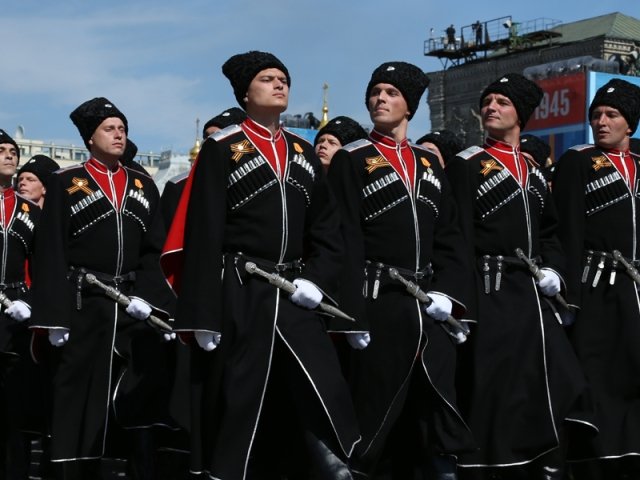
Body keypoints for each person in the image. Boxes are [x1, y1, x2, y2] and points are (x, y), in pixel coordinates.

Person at [161, 51, 360, 480]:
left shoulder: (303, 151)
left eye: (283, 78)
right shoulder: (221, 147)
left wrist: (317, 281)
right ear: (246, 92)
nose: (279, 84)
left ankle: (335, 467)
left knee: (324, 390)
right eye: (268, 78)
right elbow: (204, 233)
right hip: (241, 291)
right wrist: (201, 314)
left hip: (297, 294)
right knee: (242, 402)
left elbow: (328, 232)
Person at [327, 61, 475, 480]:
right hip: (380, 307)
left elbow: (450, 239)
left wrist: (451, 296)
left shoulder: (430, 166)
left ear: (409, 105)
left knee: (437, 422)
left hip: (429, 313)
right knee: (374, 420)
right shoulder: (351, 160)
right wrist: (350, 315)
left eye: (391, 93)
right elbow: (344, 239)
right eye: (375, 92)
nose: (379, 99)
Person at [445, 73, 596, 479]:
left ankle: (546, 462)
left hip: (533, 295)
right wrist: (464, 306)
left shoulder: (531, 169)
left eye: (502, 102)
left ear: (521, 114)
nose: (491, 107)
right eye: (488, 100)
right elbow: (456, 236)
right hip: (491, 290)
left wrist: (554, 272)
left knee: (563, 381)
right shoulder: (467, 164)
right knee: (498, 389)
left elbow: (551, 232)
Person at [30, 97, 175, 480]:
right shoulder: (65, 182)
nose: (119, 134)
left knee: (136, 397)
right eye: (109, 128)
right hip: (83, 305)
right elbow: (51, 253)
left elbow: (154, 249)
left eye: (122, 128)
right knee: (76, 396)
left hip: (130, 307)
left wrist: (150, 297)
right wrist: (54, 316)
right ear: (89, 137)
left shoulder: (143, 184)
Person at [552, 78, 640, 480]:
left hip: (635, 290)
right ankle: (596, 462)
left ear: (630, 123)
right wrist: (570, 297)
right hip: (597, 287)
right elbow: (566, 230)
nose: (601, 122)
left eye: (612, 115)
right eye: (596, 115)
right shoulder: (578, 160)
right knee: (600, 378)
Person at [0, 129, 44, 479]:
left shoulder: (29, 210)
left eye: (12, 150)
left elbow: (41, 263)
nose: (10, 156)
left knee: (14, 402)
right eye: (1, 150)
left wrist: (28, 299)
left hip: (16, 312)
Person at [160, 106, 247, 230]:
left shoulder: (255, 183)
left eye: (217, 135)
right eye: (206, 137)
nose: (208, 142)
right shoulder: (179, 187)